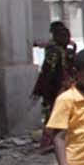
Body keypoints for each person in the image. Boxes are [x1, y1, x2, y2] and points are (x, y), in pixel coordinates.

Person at [31, 20, 76, 149]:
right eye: (64, 36)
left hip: (63, 88)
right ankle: (51, 141)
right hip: (56, 88)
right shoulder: (54, 51)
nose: (67, 39)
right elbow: (48, 72)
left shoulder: (64, 51)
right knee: (54, 114)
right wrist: (41, 89)